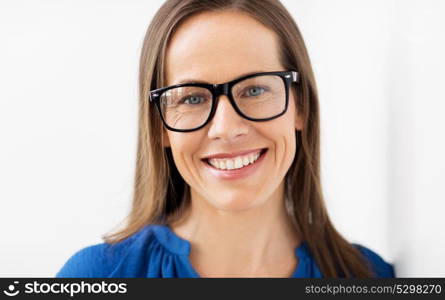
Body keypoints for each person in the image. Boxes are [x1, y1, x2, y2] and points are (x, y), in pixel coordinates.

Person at [56, 0, 395, 278]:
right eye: (191, 98)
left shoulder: (368, 276)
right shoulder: (96, 276)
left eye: (255, 89)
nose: (226, 128)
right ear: (159, 126)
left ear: (300, 106)